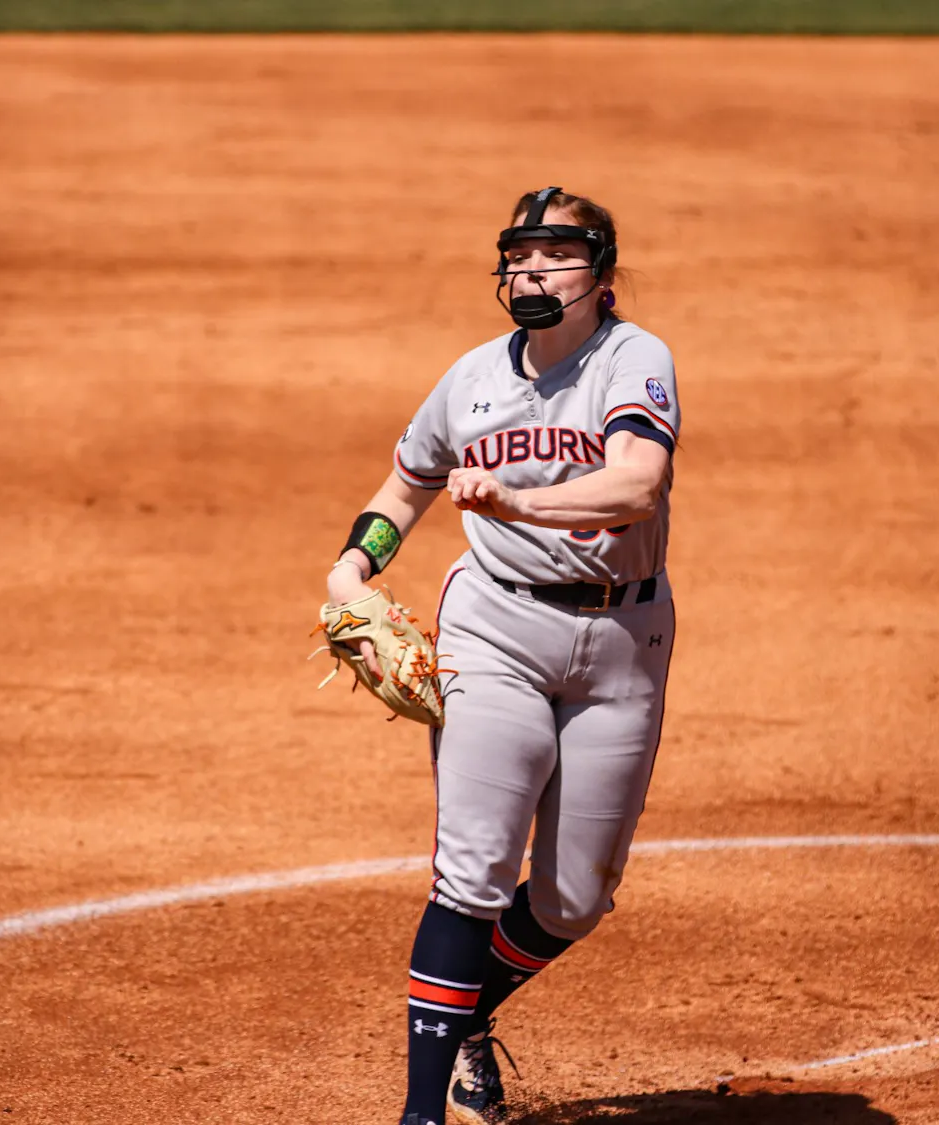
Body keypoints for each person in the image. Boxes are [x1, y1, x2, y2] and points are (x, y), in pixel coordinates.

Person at [323, 187, 680, 1125]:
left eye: (555, 255)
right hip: (495, 631)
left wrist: (515, 502)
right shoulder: (472, 378)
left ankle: (464, 1015)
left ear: (601, 275)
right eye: (518, 256)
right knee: (474, 872)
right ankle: (421, 1112)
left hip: (623, 642)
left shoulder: (633, 360)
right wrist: (352, 566)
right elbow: (405, 486)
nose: (530, 271)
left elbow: (637, 484)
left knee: (571, 899)